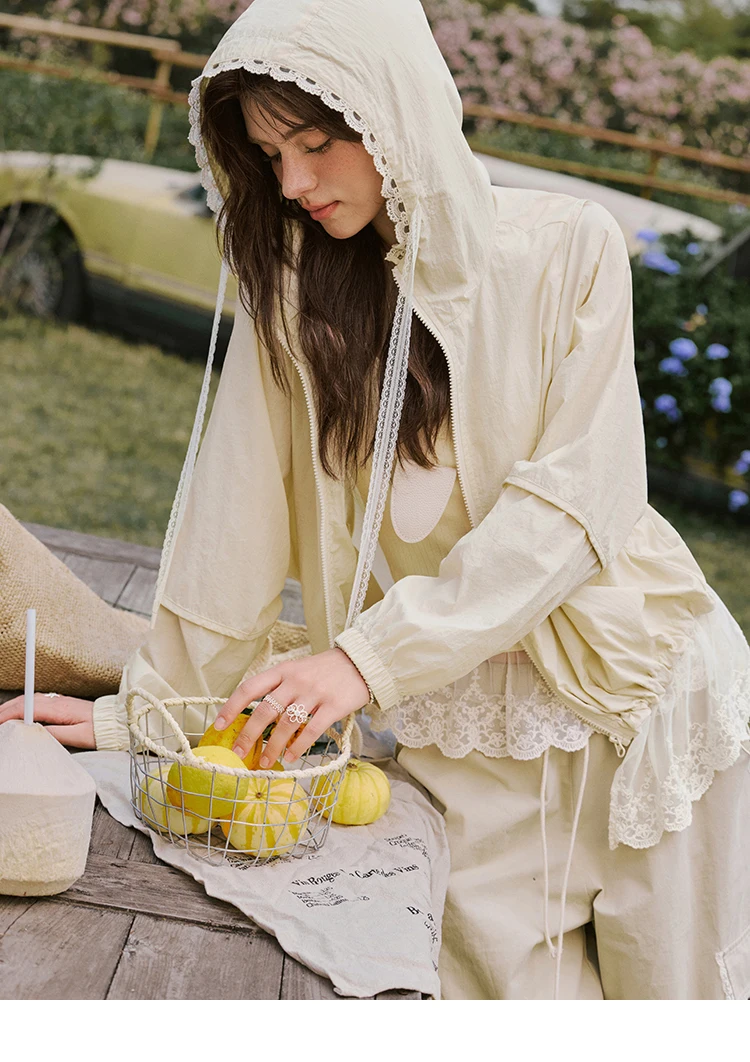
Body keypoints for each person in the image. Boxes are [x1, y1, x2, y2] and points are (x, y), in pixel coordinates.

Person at [2, 0, 749, 1000]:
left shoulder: (567, 250)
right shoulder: (293, 292)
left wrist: (365, 658)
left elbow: (577, 503)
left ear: (397, 113)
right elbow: (235, 522)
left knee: (682, 1007)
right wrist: (159, 714)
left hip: (642, 703)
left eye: (316, 144)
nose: (293, 183)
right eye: (271, 156)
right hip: (466, 735)